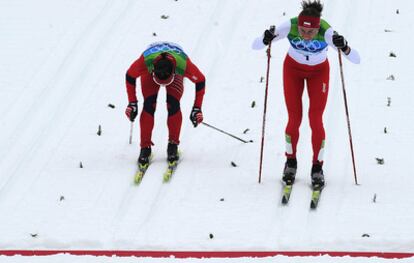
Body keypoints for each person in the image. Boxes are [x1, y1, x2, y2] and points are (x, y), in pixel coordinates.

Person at [258, 0, 360, 188]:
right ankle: (291, 163)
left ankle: (317, 168)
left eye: (311, 32)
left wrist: (344, 46)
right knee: (294, 118)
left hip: (319, 73)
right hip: (292, 70)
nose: (306, 36)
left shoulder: (326, 31)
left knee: (315, 119)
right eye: (303, 32)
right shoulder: (290, 25)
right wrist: (266, 38)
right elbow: (255, 45)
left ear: (317, 27)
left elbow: (356, 59)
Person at [125, 42, 205, 168]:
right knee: (149, 104)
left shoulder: (183, 65)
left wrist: (197, 108)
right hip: (150, 67)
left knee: (173, 104)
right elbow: (129, 76)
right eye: (159, 82)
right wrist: (132, 102)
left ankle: (173, 145)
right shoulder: (145, 63)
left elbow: (200, 80)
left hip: (175, 62)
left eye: (165, 82)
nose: (162, 85)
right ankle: (144, 148)